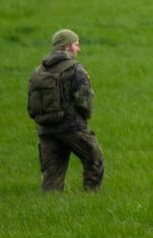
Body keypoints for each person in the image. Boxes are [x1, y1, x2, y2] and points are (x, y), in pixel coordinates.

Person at [26, 28, 103, 192]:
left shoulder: (39, 70)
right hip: (71, 127)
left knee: (52, 174)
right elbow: (84, 101)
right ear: (67, 47)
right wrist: (83, 119)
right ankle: (92, 198)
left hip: (45, 128)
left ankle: (49, 207)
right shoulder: (75, 69)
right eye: (76, 44)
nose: (78, 49)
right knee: (94, 158)